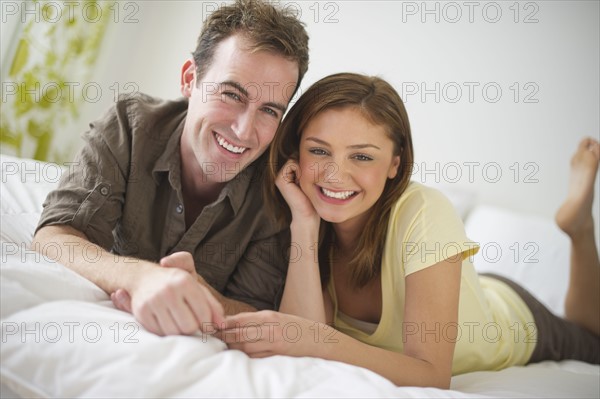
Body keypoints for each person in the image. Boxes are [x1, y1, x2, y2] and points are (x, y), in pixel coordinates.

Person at [215, 73, 600, 388]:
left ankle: (579, 229)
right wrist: (303, 222)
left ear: (395, 164)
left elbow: (432, 374)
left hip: (513, 318)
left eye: (362, 156)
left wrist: (319, 340)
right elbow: (301, 342)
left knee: (593, 338)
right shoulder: (302, 219)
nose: (334, 174)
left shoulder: (424, 210)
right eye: (318, 151)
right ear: (295, 152)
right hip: (454, 286)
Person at [31, 0, 309, 336]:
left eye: (269, 111)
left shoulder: (276, 191)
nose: (244, 131)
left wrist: (195, 293)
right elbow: (55, 236)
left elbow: (256, 308)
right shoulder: (129, 126)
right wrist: (142, 277)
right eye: (232, 95)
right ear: (190, 79)